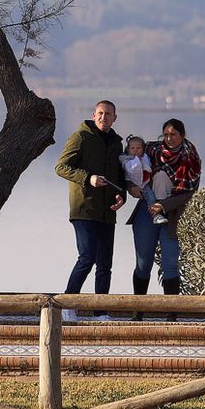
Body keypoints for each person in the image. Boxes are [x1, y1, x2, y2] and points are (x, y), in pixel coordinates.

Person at [55, 99, 127, 303]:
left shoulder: (116, 143)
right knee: (87, 258)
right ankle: (66, 305)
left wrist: (121, 195)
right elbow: (61, 167)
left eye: (108, 114)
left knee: (105, 265)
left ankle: (101, 312)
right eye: (100, 113)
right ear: (94, 115)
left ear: (114, 118)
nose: (104, 117)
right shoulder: (81, 137)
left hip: (107, 211)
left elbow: (119, 176)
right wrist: (88, 178)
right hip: (84, 209)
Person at [125, 117, 201, 301]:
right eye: (166, 134)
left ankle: (171, 311)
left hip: (173, 215)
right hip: (146, 211)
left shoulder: (190, 157)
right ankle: (138, 309)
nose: (169, 138)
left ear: (182, 135)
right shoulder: (151, 150)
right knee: (143, 264)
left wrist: (164, 205)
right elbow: (129, 170)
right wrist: (130, 187)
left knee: (170, 265)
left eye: (173, 134)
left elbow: (190, 194)